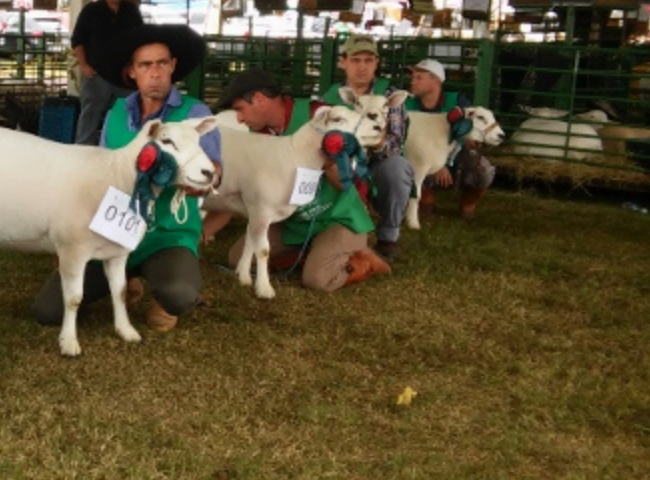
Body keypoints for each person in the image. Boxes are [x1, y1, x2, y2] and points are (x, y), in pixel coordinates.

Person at [33, 25, 221, 332]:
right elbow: (101, 171)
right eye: (145, 65)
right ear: (132, 72)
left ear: (173, 66)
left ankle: (163, 295)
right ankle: (126, 278)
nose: (155, 72)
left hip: (165, 233)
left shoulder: (194, 113)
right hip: (114, 228)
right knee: (47, 311)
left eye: (162, 63)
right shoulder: (117, 113)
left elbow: (214, 167)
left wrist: (196, 180)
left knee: (180, 294)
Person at [205, 69, 391, 291]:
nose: (239, 118)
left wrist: (329, 161)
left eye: (239, 109)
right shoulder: (259, 136)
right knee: (237, 259)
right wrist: (204, 230)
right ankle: (314, 253)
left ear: (259, 100)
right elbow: (249, 194)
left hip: (337, 217)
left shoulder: (324, 117)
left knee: (318, 280)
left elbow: (350, 184)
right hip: (294, 221)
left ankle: (361, 259)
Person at [319, 35, 412, 261]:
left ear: (376, 63)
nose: (362, 66)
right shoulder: (331, 97)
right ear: (343, 62)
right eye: (356, 60)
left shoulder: (389, 96)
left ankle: (388, 237)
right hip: (337, 166)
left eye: (368, 60)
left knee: (397, 167)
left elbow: (395, 142)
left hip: (375, 164)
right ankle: (322, 229)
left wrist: (376, 142)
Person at [405, 58, 494, 220]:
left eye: (419, 78)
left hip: (453, 154)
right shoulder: (406, 104)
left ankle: (468, 205)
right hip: (420, 157)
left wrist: (444, 162)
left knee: (483, 170)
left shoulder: (458, 102)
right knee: (426, 204)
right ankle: (425, 196)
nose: (413, 82)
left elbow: (466, 131)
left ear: (436, 81)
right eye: (413, 78)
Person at [71, 0, 144, 145]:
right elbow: (77, 40)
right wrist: (84, 66)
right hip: (97, 74)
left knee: (132, 110)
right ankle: (82, 149)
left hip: (124, 74)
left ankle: (128, 146)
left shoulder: (131, 11)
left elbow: (141, 37)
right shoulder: (91, 11)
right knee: (90, 113)